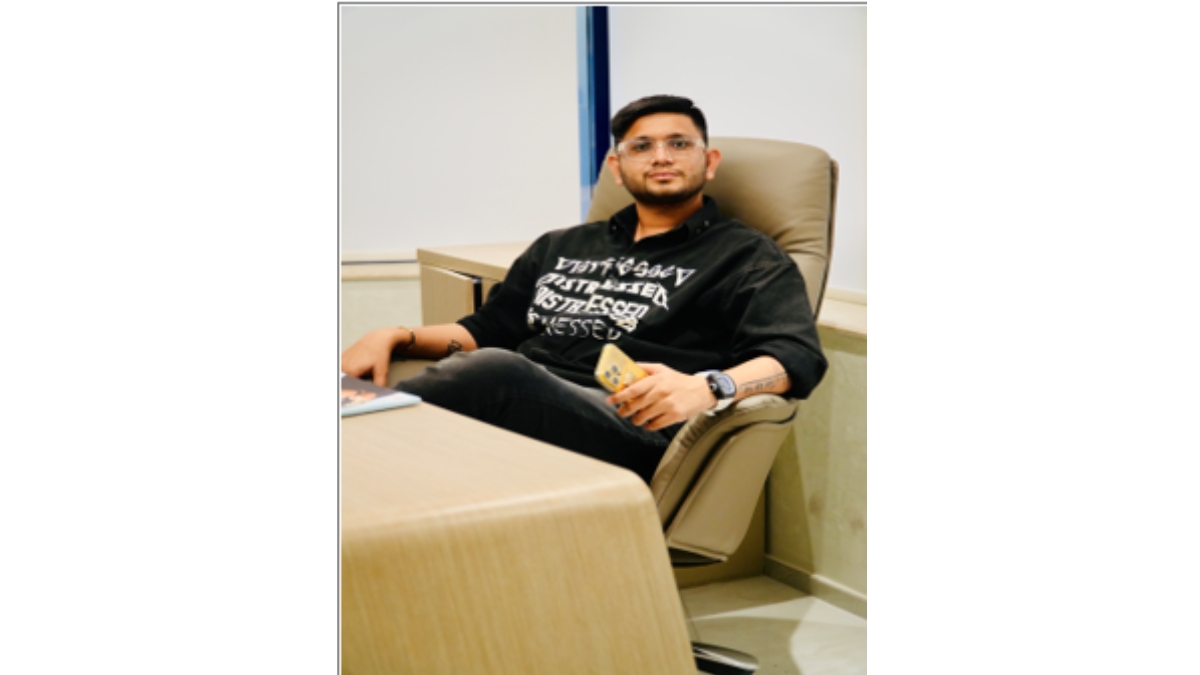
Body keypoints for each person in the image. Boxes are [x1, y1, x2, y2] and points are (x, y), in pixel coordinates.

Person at [340, 95, 827, 484]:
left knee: (494, 371)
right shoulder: (562, 245)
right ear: (617, 167)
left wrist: (709, 386)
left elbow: (796, 356)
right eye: (642, 146)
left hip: (632, 421)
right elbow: (487, 329)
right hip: (531, 396)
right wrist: (395, 335)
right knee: (474, 370)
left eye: (679, 143)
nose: (661, 156)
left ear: (709, 160)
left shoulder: (747, 256)